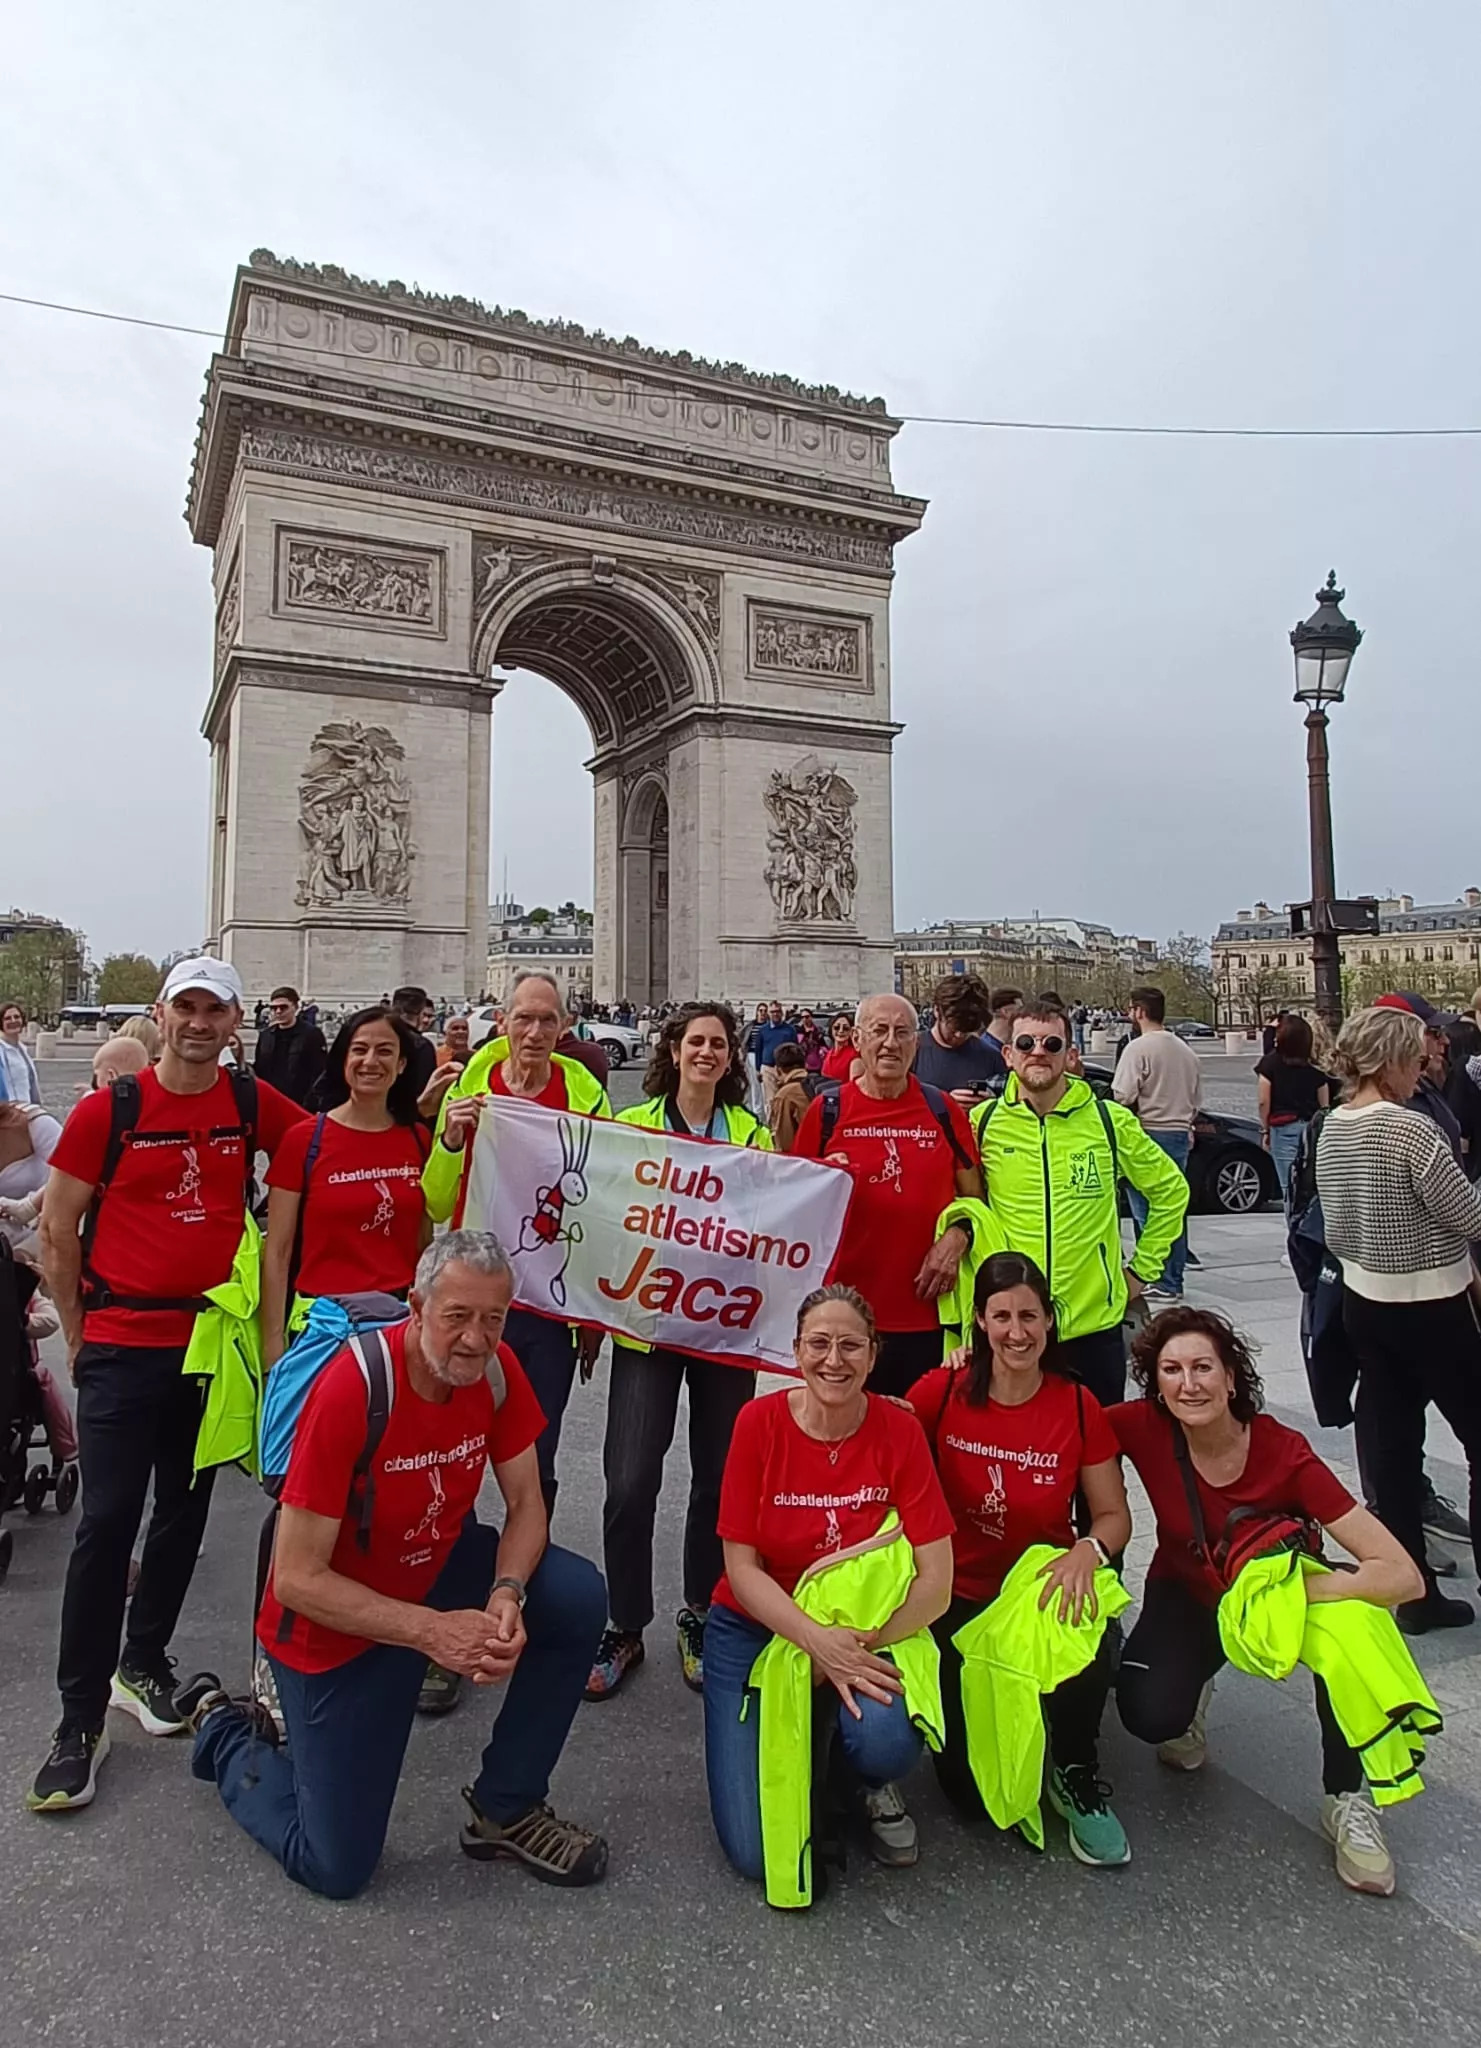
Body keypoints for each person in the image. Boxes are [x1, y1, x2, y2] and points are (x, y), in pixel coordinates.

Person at [187, 1231, 609, 1896]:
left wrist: (506, 1594)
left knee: (576, 1594)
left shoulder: (494, 1372)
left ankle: (506, 1806)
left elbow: (527, 1504)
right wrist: (432, 1633)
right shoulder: (352, 1388)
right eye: (457, 1318)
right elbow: (295, 1578)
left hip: (432, 1566)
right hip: (336, 1618)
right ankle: (223, 1731)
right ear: (416, 1306)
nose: (474, 1339)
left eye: (492, 1320)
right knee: (337, 1865)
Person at [27, 957, 304, 1813]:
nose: (198, 1022)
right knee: (107, 1524)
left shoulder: (252, 1105)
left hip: (207, 1347)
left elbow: (335, 1140)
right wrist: (76, 1332)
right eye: (184, 1007)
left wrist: (444, 1118)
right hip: (122, 1338)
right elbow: (55, 1227)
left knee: (183, 1516)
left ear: (234, 1023)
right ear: (162, 1014)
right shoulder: (106, 1111)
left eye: (213, 1010)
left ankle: (142, 1665)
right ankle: (78, 1719)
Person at [1112, 1306, 1423, 1896]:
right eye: (1171, 1370)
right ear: (1155, 1385)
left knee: (1351, 1628)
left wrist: (1299, 1594)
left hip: (1282, 1596)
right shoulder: (1141, 1426)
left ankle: (1348, 1800)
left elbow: (1402, 1576)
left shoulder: (1285, 1453)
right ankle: (1196, 1687)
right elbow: (1049, 1417)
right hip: (1189, 1590)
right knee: (1150, 1717)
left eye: (1203, 1366)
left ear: (1232, 1377)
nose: (1188, 1383)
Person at [705, 1285, 955, 1881]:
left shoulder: (899, 1431)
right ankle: (810, 1743)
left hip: (864, 1631)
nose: (834, 1360)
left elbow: (936, 1582)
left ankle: (858, 1778)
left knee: (888, 1745)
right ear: (796, 1352)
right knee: (759, 1854)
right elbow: (742, 1569)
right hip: (757, 1625)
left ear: (874, 1355)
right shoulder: (757, 1423)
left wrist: (851, 1650)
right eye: (819, 1343)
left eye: (851, 1345)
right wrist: (818, 1642)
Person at [912, 1253, 1132, 1863]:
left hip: (1040, 1589)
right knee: (969, 1795)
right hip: (957, 1595)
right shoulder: (945, 1390)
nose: (1017, 1331)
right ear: (979, 1321)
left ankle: (1074, 1766)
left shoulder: (1077, 1404)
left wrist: (1089, 1550)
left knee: (1088, 1625)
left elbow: (1113, 1514)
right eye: (1002, 1315)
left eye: (1029, 1316)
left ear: (1049, 1322)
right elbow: (882, 1443)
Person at [587, 1003, 771, 1699]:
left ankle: (700, 1610)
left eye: (717, 1044)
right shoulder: (630, 1129)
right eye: (695, 1041)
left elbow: (782, 1225)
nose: (705, 1053)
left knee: (718, 1482)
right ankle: (625, 1621)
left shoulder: (754, 1135)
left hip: (726, 1328)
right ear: (674, 1048)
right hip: (648, 1326)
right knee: (629, 1482)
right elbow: (598, 1218)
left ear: (730, 1057)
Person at [1314, 1005, 1481, 1633]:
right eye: (1416, 1058)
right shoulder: (1406, 1129)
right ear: (1390, 1062)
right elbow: (1471, 1218)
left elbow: (1333, 1227)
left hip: (1366, 1301)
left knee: (1393, 1449)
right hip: (1433, 1301)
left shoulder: (1334, 1125)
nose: (1425, 1067)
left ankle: (1413, 1592)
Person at [423, 971, 611, 1514]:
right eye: (523, 1018)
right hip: (474, 1304)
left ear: (565, 1026)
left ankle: (526, 1573)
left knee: (537, 1456)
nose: (534, 1031)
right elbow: (436, 1201)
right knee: (449, 1449)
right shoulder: (470, 1091)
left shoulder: (587, 1097)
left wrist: (594, 1317)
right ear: (501, 1021)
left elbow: (602, 1215)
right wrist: (452, 1139)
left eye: (547, 1019)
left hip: (550, 1309)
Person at [970, 998, 1189, 1407]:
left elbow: (1171, 1190)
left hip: (1092, 1326)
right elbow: (962, 1206)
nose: (1039, 1052)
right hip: (1014, 1328)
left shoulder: (1109, 1121)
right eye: (1026, 1043)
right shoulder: (982, 1123)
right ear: (1008, 1054)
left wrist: (1143, 1269)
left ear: (1070, 1054)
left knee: (1099, 1457)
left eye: (1052, 1044)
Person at [791, 993, 982, 1396]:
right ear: (857, 1039)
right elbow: (793, 1214)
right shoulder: (826, 1112)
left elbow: (976, 1201)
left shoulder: (943, 1110)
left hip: (930, 1318)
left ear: (916, 1043)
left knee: (920, 1443)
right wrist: (826, 1183)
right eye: (879, 1031)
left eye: (902, 1033)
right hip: (847, 1322)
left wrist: (957, 1237)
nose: (891, 1043)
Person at [261, 1005, 431, 1365]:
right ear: (343, 1059)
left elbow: (422, 1241)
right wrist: (272, 1340)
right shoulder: (303, 1140)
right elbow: (277, 1251)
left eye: (385, 1051)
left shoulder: (418, 1140)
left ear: (402, 1065)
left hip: (397, 1322)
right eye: (360, 1049)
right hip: (321, 1325)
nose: (371, 1061)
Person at [1112, 985, 1201, 1306]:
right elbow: (1196, 1098)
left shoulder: (1138, 1049)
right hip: (1179, 1130)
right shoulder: (1185, 1049)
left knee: (1145, 1212)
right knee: (1172, 1207)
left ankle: (1157, 1277)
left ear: (1138, 1011)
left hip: (1148, 1131)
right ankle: (1174, 1277)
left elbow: (1122, 1094)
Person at [1256, 1013, 1330, 1197]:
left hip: (1283, 1127)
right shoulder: (1314, 1065)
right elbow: (1324, 1104)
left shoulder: (1270, 1063)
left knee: (1289, 1187)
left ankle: (1294, 1223)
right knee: (1314, 1186)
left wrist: (1265, 1130)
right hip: (1312, 1128)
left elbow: (1263, 1100)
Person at [913, 975, 1005, 1099]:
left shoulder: (992, 1056)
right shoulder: (912, 1051)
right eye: (953, 1029)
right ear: (936, 1011)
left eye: (966, 1031)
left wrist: (989, 1104)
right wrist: (946, 1103)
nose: (959, 1036)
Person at [252, 986, 328, 1108]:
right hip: (270, 1101)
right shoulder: (266, 1035)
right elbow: (259, 1068)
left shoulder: (312, 1034)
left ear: (295, 1007)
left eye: (283, 1007)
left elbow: (318, 1071)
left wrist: (310, 1103)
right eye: (274, 1008)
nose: (278, 1011)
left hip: (300, 1103)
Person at [390, 985, 438, 1102]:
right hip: (408, 1111)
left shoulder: (379, 1036)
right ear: (421, 1012)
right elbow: (425, 1087)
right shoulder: (421, 1045)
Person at [753, 1000, 798, 1112]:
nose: (775, 1014)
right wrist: (758, 1069)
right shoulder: (763, 1030)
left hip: (785, 1069)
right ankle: (771, 1127)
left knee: (785, 1098)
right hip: (768, 1068)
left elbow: (795, 1049)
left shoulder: (790, 1030)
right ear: (769, 1013)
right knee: (770, 1100)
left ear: (781, 1013)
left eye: (777, 1011)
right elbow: (758, 1050)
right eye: (772, 1012)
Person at [768, 1041, 813, 1151]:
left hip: (805, 1158)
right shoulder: (818, 1083)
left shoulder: (785, 1095)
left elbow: (784, 1140)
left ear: (778, 1070)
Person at [0, 1001, 42, 1105]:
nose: (13, 1020)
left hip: (26, 1110)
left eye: (16, 1017)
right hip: (8, 1114)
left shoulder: (23, 1050)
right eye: (7, 1018)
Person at [984, 987, 1024, 1062]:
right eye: (1020, 1009)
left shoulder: (1010, 1048)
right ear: (1005, 1012)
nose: (1023, 1014)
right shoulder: (985, 1050)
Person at [821, 1010, 857, 1083]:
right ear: (831, 1030)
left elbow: (854, 1087)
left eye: (846, 1028)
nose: (841, 1031)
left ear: (851, 1032)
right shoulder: (828, 1054)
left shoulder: (854, 1055)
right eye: (837, 1027)